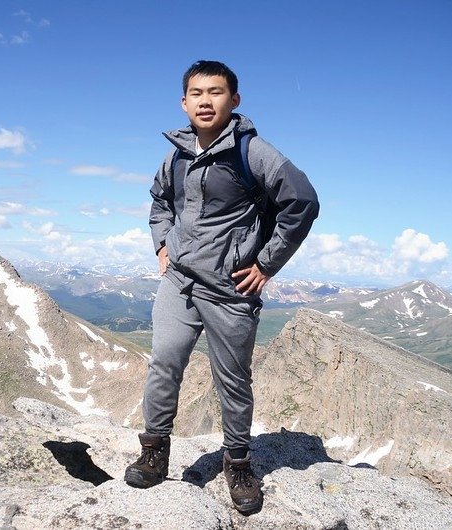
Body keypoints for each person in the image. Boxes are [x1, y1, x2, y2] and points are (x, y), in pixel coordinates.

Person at [124, 60, 319, 515]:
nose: (205, 101)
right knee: (164, 365)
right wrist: (162, 245)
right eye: (196, 93)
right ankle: (154, 452)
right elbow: (159, 201)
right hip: (179, 283)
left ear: (234, 100)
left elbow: (303, 202)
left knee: (232, 380)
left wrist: (266, 264)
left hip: (231, 289)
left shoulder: (255, 153)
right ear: (184, 102)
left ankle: (237, 462)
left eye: (215, 92)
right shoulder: (175, 154)